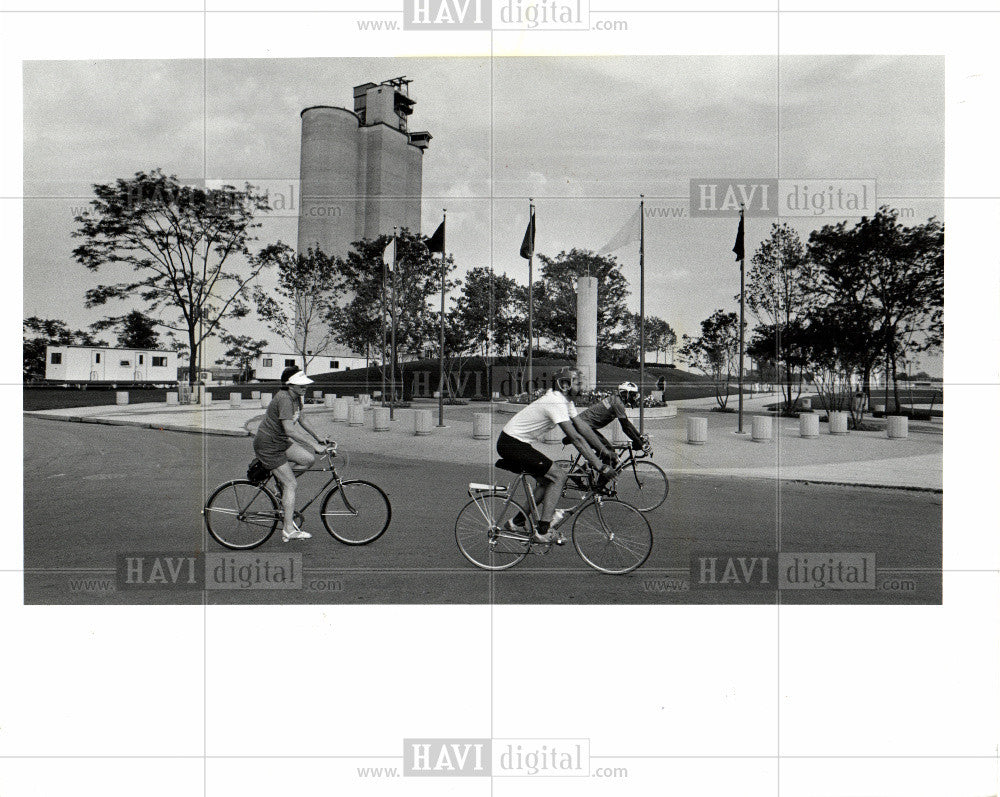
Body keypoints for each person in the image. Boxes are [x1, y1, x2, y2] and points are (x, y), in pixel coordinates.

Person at [496, 367, 613, 545]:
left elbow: (583, 428)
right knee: (558, 475)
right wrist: (599, 465)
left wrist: (604, 450)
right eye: (578, 383)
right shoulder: (555, 402)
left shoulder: (566, 400)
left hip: (517, 443)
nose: (583, 387)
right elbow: (576, 438)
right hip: (511, 444)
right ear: (565, 385)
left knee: (546, 480)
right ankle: (542, 531)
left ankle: (517, 522)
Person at [252, 366, 329, 542]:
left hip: (280, 442)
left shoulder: (296, 398)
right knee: (291, 485)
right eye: (300, 385)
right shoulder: (284, 399)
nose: (305, 387)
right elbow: (290, 429)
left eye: (305, 384)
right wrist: (314, 445)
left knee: (307, 460)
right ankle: (288, 530)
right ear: (290, 385)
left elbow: (302, 418)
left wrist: (319, 437)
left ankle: (280, 486)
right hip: (268, 445)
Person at [571, 381, 650, 456]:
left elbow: (627, 423)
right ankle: (584, 470)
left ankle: (590, 468)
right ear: (626, 393)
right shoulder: (617, 403)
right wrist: (639, 442)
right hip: (583, 427)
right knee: (608, 452)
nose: (634, 398)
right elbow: (625, 427)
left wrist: (639, 437)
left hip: (584, 425)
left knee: (606, 453)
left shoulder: (616, 400)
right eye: (633, 395)